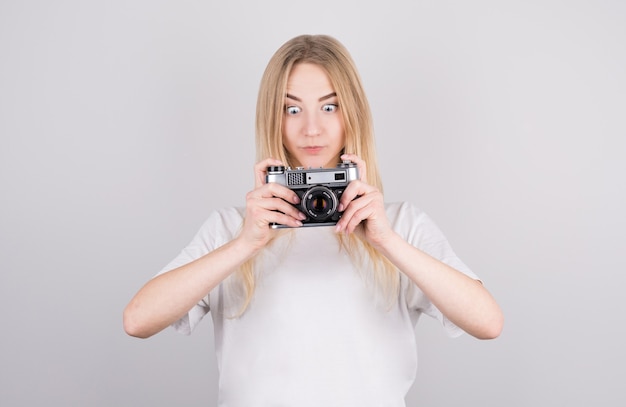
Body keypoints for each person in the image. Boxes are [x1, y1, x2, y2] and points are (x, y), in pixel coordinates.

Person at [123, 34, 503, 406]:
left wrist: (387, 241)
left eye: (329, 106)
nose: (311, 129)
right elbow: (138, 320)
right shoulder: (231, 229)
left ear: (352, 112)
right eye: (292, 109)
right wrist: (245, 245)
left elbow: (488, 323)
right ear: (273, 117)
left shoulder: (399, 224)